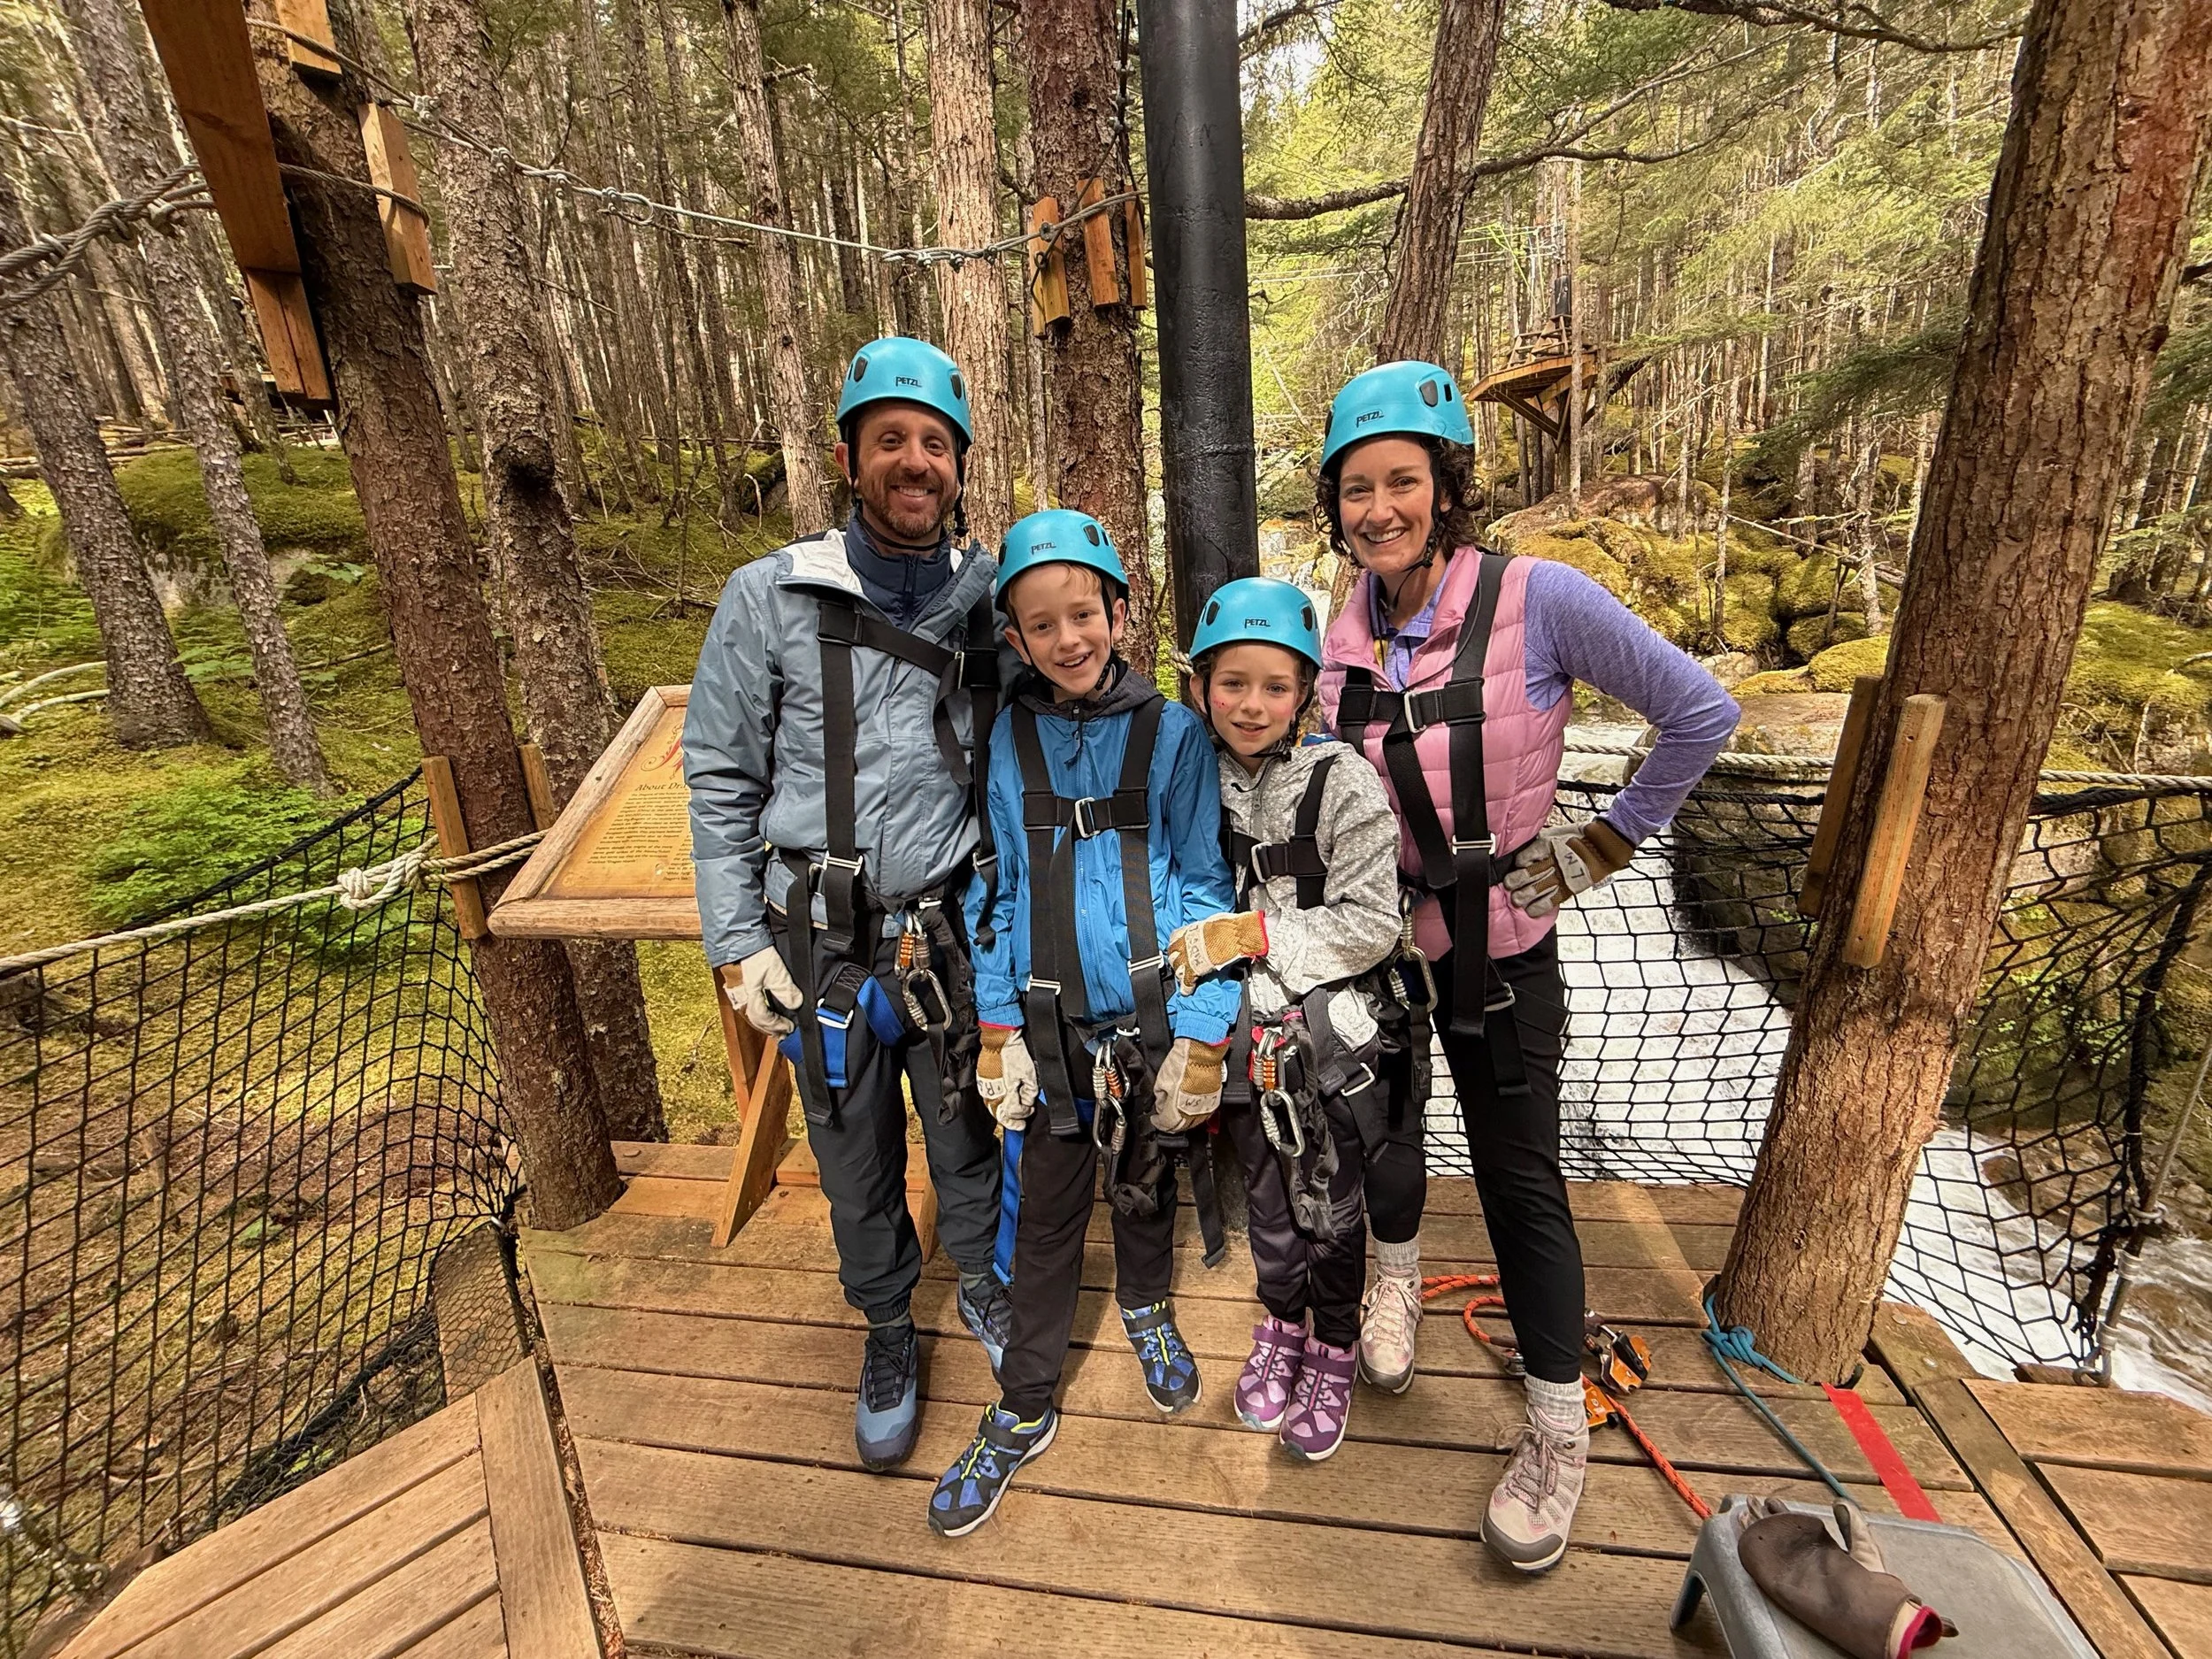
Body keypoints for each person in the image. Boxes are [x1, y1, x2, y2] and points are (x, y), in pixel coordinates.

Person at [1313, 360, 1740, 1571]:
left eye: (1404, 480)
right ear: (1335, 502)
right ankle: (1392, 1282)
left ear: (1446, 486)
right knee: (1384, 1139)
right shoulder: (1335, 631)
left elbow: (1701, 710)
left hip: (1502, 953)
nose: (1381, 506)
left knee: (1520, 1186)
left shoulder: (1537, 599)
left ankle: (1559, 1431)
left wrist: (1602, 843)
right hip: (1381, 948)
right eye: (1358, 486)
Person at [683, 336, 1015, 1477]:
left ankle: (980, 1275)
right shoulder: (767, 598)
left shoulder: (991, 604)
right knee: (851, 1153)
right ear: (849, 457)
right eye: (890, 442)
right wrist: (736, 940)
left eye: (933, 443)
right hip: (817, 938)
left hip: (944, 928)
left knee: (964, 1124)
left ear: (958, 464)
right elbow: (719, 775)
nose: (913, 461)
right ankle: (885, 1327)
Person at [926, 510, 1239, 1538]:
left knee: (1146, 1189)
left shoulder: (1176, 734)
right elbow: (1001, 891)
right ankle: (1023, 1402)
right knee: (1049, 1215)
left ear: (1118, 611)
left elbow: (1201, 888)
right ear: (1012, 638)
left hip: (1151, 1016)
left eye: (1084, 614)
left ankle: (1146, 1307)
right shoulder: (1009, 738)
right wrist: (996, 1028)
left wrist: (1200, 1035)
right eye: (1041, 623)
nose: (1069, 639)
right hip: (1051, 1026)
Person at [1169, 577, 1409, 1463]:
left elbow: (1373, 920)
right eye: (1231, 683)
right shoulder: (1189, 772)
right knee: (1266, 1198)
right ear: (1200, 686)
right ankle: (1280, 1323)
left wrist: (1261, 932)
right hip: (1235, 1034)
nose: (1251, 704)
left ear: (1306, 692)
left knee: (1328, 1203)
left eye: (1275, 686)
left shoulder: (1341, 783)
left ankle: (1334, 1343)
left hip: (1321, 1037)